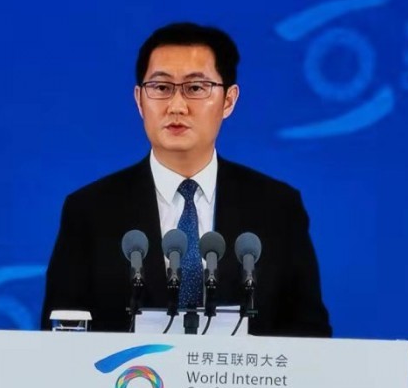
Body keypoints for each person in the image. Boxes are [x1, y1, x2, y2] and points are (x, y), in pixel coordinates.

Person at [41, 22, 331, 337]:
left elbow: (310, 335)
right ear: (139, 100)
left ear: (229, 100)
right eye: (161, 88)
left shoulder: (278, 208)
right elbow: (61, 330)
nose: (176, 106)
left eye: (195, 88)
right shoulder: (89, 211)